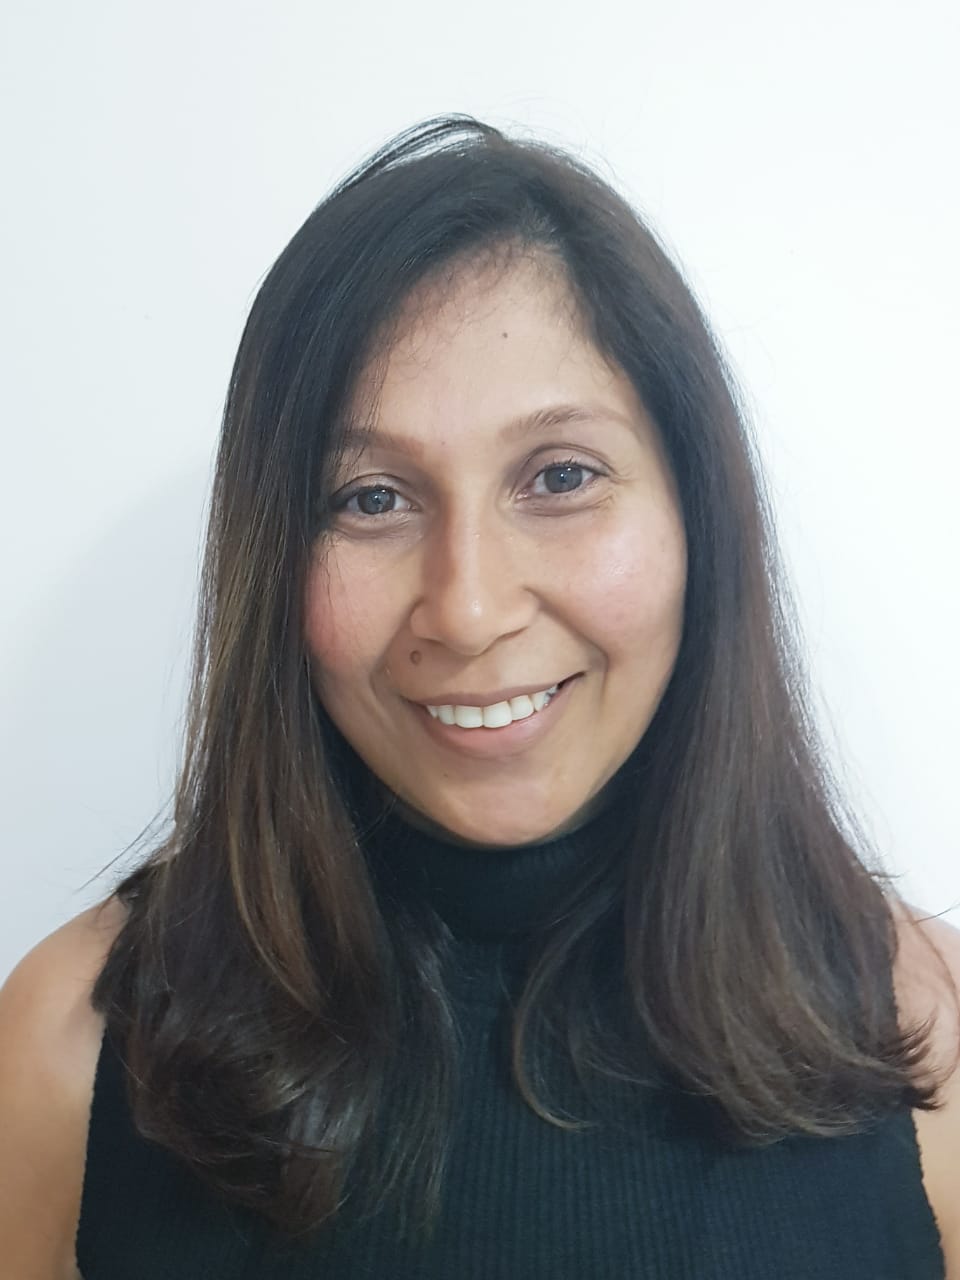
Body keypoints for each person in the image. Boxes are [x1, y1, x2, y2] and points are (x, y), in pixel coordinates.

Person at [1, 115, 957, 1279]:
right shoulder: (72, 1041)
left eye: (560, 476)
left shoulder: (927, 1028)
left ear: (695, 515)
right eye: (370, 497)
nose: (465, 607)